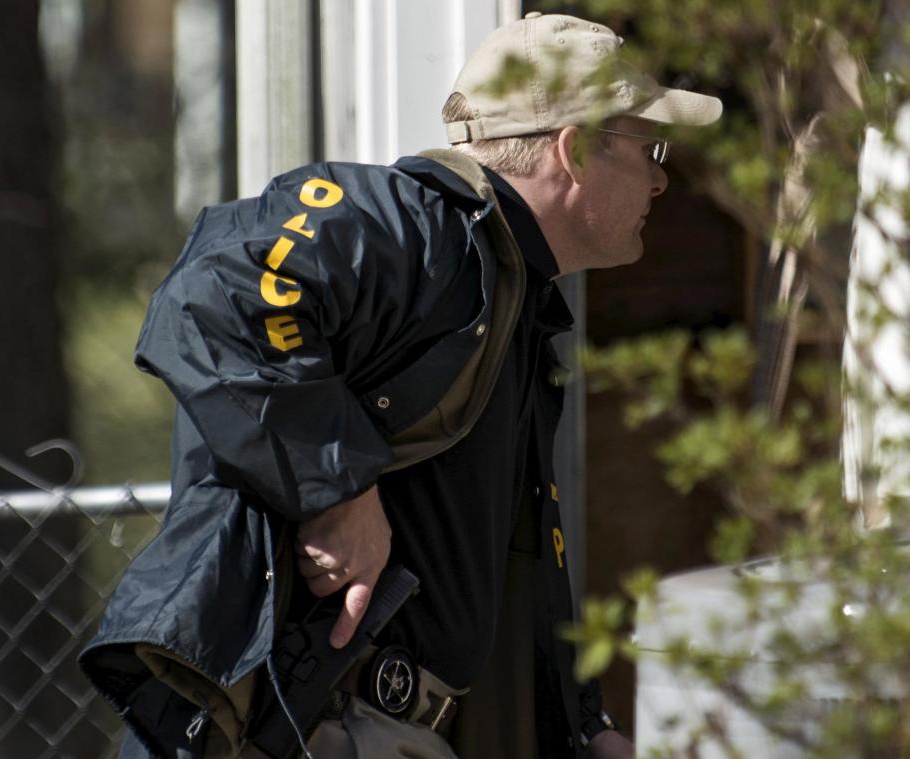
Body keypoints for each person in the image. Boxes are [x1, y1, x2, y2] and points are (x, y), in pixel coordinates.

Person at [80, 12, 722, 759]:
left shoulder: (513, 297)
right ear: (573, 150)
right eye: (647, 147)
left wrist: (580, 726)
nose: (660, 176)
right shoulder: (415, 226)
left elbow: (509, 563)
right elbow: (215, 294)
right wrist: (337, 489)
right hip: (303, 724)